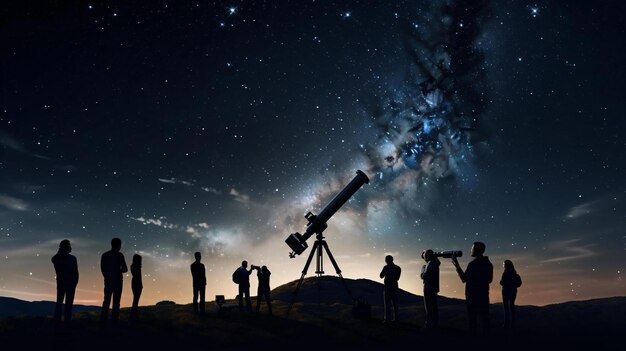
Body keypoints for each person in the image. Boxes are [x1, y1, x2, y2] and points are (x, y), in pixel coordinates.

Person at [451, 241, 493, 335]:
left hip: (473, 297)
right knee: (485, 321)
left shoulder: (473, 264)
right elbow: (490, 280)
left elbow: (463, 279)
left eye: (472, 248)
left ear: (477, 250)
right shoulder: (488, 263)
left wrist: (456, 265)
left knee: (472, 321)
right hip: (484, 296)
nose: (470, 250)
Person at [100, 237, 128, 324]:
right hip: (118, 281)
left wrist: (107, 276)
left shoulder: (105, 255)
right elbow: (125, 269)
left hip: (108, 280)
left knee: (107, 300)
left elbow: (103, 269)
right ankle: (114, 320)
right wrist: (118, 270)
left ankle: (103, 319)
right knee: (116, 301)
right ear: (119, 245)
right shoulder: (120, 255)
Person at [51, 239, 79, 323]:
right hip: (66, 283)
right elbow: (53, 260)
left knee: (62, 303)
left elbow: (76, 272)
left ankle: (61, 321)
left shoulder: (69, 258)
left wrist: (75, 282)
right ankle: (64, 321)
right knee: (65, 303)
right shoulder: (65, 258)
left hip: (66, 283)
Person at [420, 249, 440, 330]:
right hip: (434, 287)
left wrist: (422, 270)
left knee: (428, 307)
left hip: (428, 287)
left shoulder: (430, 264)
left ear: (427, 256)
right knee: (434, 307)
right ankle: (435, 324)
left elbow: (424, 276)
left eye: (424, 256)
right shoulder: (435, 263)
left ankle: (428, 324)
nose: (423, 258)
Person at [500, 259, 522, 329]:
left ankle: (506, 324)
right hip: (513, 291)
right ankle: (512, 324)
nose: (503, 266)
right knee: (512, 307)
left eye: (503, 265)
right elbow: (519, 284)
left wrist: (503, 283)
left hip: (506, 291)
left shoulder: (505, 273)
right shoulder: (514, 273)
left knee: (506, 308)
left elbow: (502, 282)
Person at [379, 255, 401, 323]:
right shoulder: (398, 268)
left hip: (388, 288)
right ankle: (396, 319)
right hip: (394, 287)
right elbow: (397, 278)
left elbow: (381, 276)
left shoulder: (386, 267)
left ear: (386, 260)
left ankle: (387, 319)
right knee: (395, 304)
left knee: (387, 304)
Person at [130, 254, 142, 322]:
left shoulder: (133, 266)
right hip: (136, 284)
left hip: (136, 283)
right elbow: (137, 276)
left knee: (136, 300)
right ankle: (134, 315)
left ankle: (134, 314)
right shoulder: (136, 267)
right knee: (136, 300)